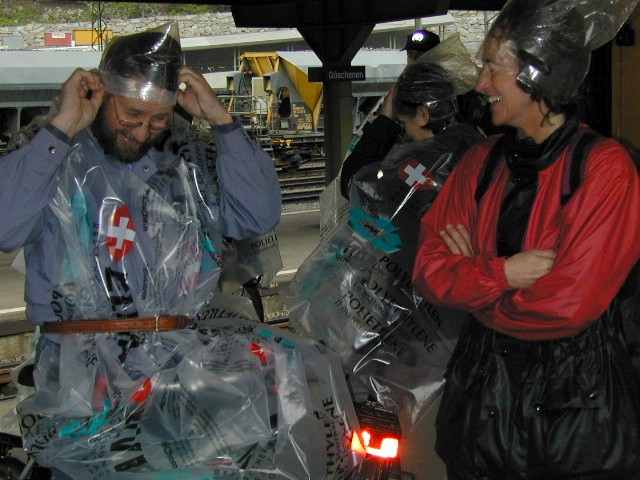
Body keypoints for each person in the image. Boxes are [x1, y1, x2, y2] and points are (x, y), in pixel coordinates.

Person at [0, 23, 281, 479]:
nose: (142, 130)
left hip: (175, 375)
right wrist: (62, 126)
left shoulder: (188, 159)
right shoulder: (52, 151)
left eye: (158, 119)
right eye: (131, 114)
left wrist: (221, 121)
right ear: (101, 91)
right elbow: (4, 226)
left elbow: (256, 217)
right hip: (81, 381)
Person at [412, 1, 640, 479]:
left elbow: (568, 305)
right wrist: (505, 274)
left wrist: (473, 284)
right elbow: (429, 271)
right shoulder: (479, 164)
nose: (480, 85)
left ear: (538, 75)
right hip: (481, 416)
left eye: (493, 67)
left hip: (573, 425)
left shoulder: (605, 168)